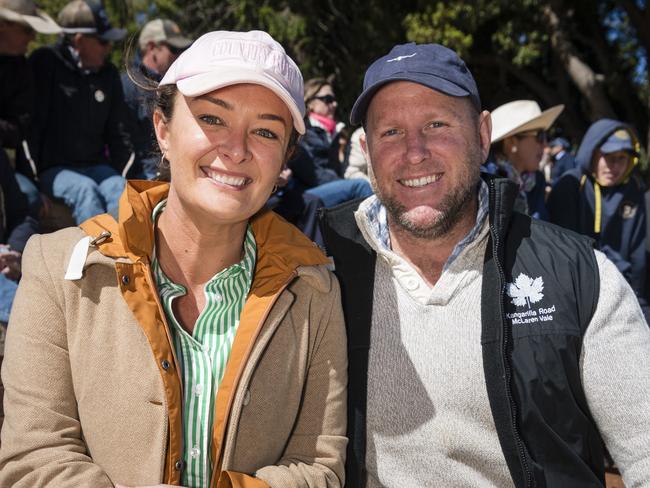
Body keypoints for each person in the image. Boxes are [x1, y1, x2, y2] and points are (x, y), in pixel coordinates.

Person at [0, 30, 347, 488]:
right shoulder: (56, 269)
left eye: (265, 130)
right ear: (163, 130)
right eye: (212, 118)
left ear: (285, 157)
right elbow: (33, 459)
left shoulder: (313, 289)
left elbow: (320, 466)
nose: (237, 149)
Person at [319, 42, 650, 487]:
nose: (414, 152)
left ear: (481, 133)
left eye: (437, 124)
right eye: (391, 132)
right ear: (366, 149)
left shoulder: (581, 277)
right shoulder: (327, 278)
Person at [24, 0, 133, 225]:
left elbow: (119, 133)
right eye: (103, 41)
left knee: (122, 191)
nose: (109, 47)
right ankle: (95, 259)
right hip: (54, 169)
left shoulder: (108, 74)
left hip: (96, 166)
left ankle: (129, 256)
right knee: (85, 191)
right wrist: (31, 180)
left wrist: (130, 176)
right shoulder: (45, 63)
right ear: (79, 40)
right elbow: (30, 126)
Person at [548, 120, 649, 320]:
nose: (615, 166)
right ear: (591, 153)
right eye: (608, 157)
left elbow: (638, 257)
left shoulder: (636, 189)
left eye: (622, 158)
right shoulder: (571, 186)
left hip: (629, 294)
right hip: (580, 297)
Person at [0, 0, 60, 216]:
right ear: (2, 25)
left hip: (6, 167)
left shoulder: (21, 70)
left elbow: (21, 131)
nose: (33, 38)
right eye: (26, 29)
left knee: (29, 198)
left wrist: (35, 182)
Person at [121, 18, 192, 180]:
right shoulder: (128, 85)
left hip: (176, 168)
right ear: (152, 47)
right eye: (174, 48)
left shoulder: (178, 84)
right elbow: (122, 143)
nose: (180, 55)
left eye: (182, 49)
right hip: (147, 174)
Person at [289, 77, 373, 207]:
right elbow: (311, 173)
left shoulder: (335, 131)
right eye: (327, 100)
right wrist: (343, 183)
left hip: (328, 187)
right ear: (310, 102)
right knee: (360, 186)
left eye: (334, 100)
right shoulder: (301, 130)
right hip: (305, 193)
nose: (334, 104)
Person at [488, 100, 563, 220]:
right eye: (539, 136)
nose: (545, 145)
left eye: (545, 136)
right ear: (511, 143)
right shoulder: (483, 181)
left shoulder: (537, 180)